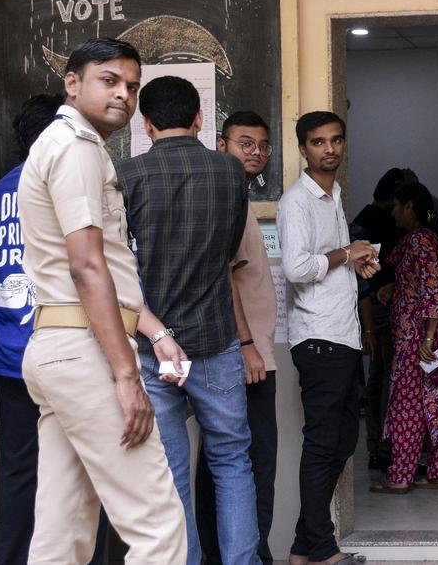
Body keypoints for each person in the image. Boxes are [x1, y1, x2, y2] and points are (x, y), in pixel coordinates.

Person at [17, 37, 186, 562]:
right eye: (108, 81)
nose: (124, 96)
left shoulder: (60, 143)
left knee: (62, 528)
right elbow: (88, 266)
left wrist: (153, 332)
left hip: (55, 346)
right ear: (72, 83)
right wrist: (126, 375)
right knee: (158, 524)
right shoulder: (76, 148)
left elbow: (104, 268)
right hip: (83, 351)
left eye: (132, 87)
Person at [115, 75, 257, 565]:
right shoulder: (230, 173)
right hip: (216, 340)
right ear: (200, 119)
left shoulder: (127, 176)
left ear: (145, 122)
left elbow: (118, 266)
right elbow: (228, 248)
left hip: (152, 346)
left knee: (170, 468)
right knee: (232, 460)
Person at [0, 92, 112, 565]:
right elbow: (88, 268)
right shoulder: (62, 184)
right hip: (62, 349)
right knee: (84, 469)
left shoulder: (1, 189)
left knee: (20, 470)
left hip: (10, 351)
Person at [278, 111, 378, 565]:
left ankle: (304, 547)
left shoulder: (333, 195)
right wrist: (346, 252)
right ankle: (321, 547)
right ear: (303, 149)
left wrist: (355, 261)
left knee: (339, 443)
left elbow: (326, 262)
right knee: (323, 442)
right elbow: (297, 270)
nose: (329, 149)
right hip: (318, 337)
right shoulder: (297, 202)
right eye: (318, 142)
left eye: (336, 140)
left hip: (343, 334)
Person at [191, 110, 280, 564]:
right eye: (246, 143)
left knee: (224, 463)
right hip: (244, 354)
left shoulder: (234, 196)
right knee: (247, 463)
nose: (256, 153)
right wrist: (246, 346)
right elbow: (222, 274)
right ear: (221, 144)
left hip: (246, 350)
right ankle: (247, 556)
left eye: (263, 146)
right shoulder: (225, 196)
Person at [369, 181, 438, 493]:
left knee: (406, 406)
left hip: (418, 342)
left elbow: (433, 289)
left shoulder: (419, 241)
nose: (394, 213)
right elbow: (415, 280)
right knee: (436, 404)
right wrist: (393, 288)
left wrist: (426, 338)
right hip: (430, 340)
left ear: (409, 206)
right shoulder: (431, 240)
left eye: (397, 206)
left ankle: (399, 476)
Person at [354, 167, 418, 471]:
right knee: (386, 375)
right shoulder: (381, 224)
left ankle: (382, 445)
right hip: (381, 310)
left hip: (375, 309)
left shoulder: (361, 220)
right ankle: (386, 444)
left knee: (380, 375)